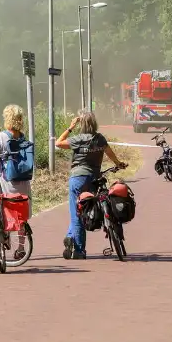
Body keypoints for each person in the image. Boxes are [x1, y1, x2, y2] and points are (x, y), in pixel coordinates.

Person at [56, 110, 128, 260]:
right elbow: (110, 153)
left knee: (77, 212)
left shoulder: (78, 139)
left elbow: (58, 143)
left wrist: (70, 127)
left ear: (81, 124)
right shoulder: (100, 139)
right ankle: (70, 235)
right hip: (94, 178)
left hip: (78, 179)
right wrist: (118, 164)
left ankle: (79, 251)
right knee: (89, 208)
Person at [0, 104, 32, 260]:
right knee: (21, 215)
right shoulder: (22, 137)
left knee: (4, 210)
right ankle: (21, 247)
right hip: (24, 181)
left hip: (8, 182)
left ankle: (4, 237)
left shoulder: (1, 137)